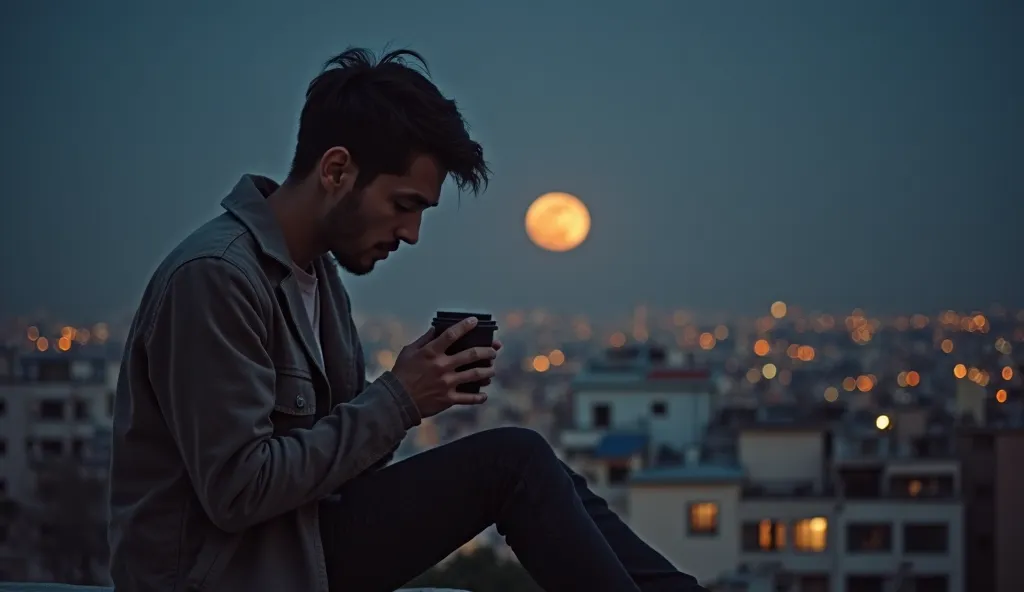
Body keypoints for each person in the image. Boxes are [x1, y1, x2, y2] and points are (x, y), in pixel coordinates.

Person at [107, 47, 706, 592]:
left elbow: (330, 472)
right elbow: (238, 489)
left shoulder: (317, 278)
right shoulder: (216, 276)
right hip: (234, 574)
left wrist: (413, 396)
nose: (411, 234)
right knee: (512, 462)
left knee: (536, 468)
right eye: (403, 205)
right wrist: (397, 400)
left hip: (300, 548)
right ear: (336, 170)